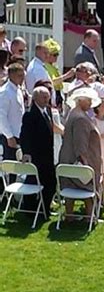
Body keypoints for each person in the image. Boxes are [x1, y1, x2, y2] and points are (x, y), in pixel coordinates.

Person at [59, 90, 102, 220]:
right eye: (88, 100)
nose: (90, 103)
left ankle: (69, 215)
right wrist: (85, 163)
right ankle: (89, 216)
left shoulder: (73, 114)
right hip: (78, 159)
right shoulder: (80, 118)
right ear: (80, 100)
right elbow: (80, 142)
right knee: (86, 186)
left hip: (67, 158)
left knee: (70, 186)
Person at [19, 86, 56, 215]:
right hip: (36, 155)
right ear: (35, 98)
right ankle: (29, 209)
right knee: (34, 181)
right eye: (44, 97)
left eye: (48, 96)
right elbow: (25, 135)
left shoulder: (48, 111)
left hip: (48, 154)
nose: (47, 99)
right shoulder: (30, 114)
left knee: (50, 183)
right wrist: (27, 152)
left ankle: (44, 207)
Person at [0, 63, 25, 162]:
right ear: (11, 76)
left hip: (18, 134)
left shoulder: (18, 90)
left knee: (17, 166)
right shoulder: (5, 92)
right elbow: (1, 116)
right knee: (9, 166)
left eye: (23, 75)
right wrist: (9, 136)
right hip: (8, 137)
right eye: (19, 75)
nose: (22, 78)